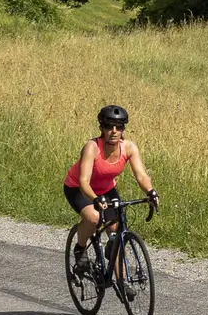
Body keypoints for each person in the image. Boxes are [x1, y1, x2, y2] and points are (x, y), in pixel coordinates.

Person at [66, 104, 156, 280]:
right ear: (101, 128)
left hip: (106, 189)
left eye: (119, 127)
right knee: (93, 218)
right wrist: (95, 199)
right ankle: (80, 248)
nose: (114, 131)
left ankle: (123, 282)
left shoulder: (128, 148)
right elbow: (84, 181)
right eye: (109, 126)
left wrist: (151, 192)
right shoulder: (92, 148)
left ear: (123, 129)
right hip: (79, 188)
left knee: (116, 232)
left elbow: (142, 176)